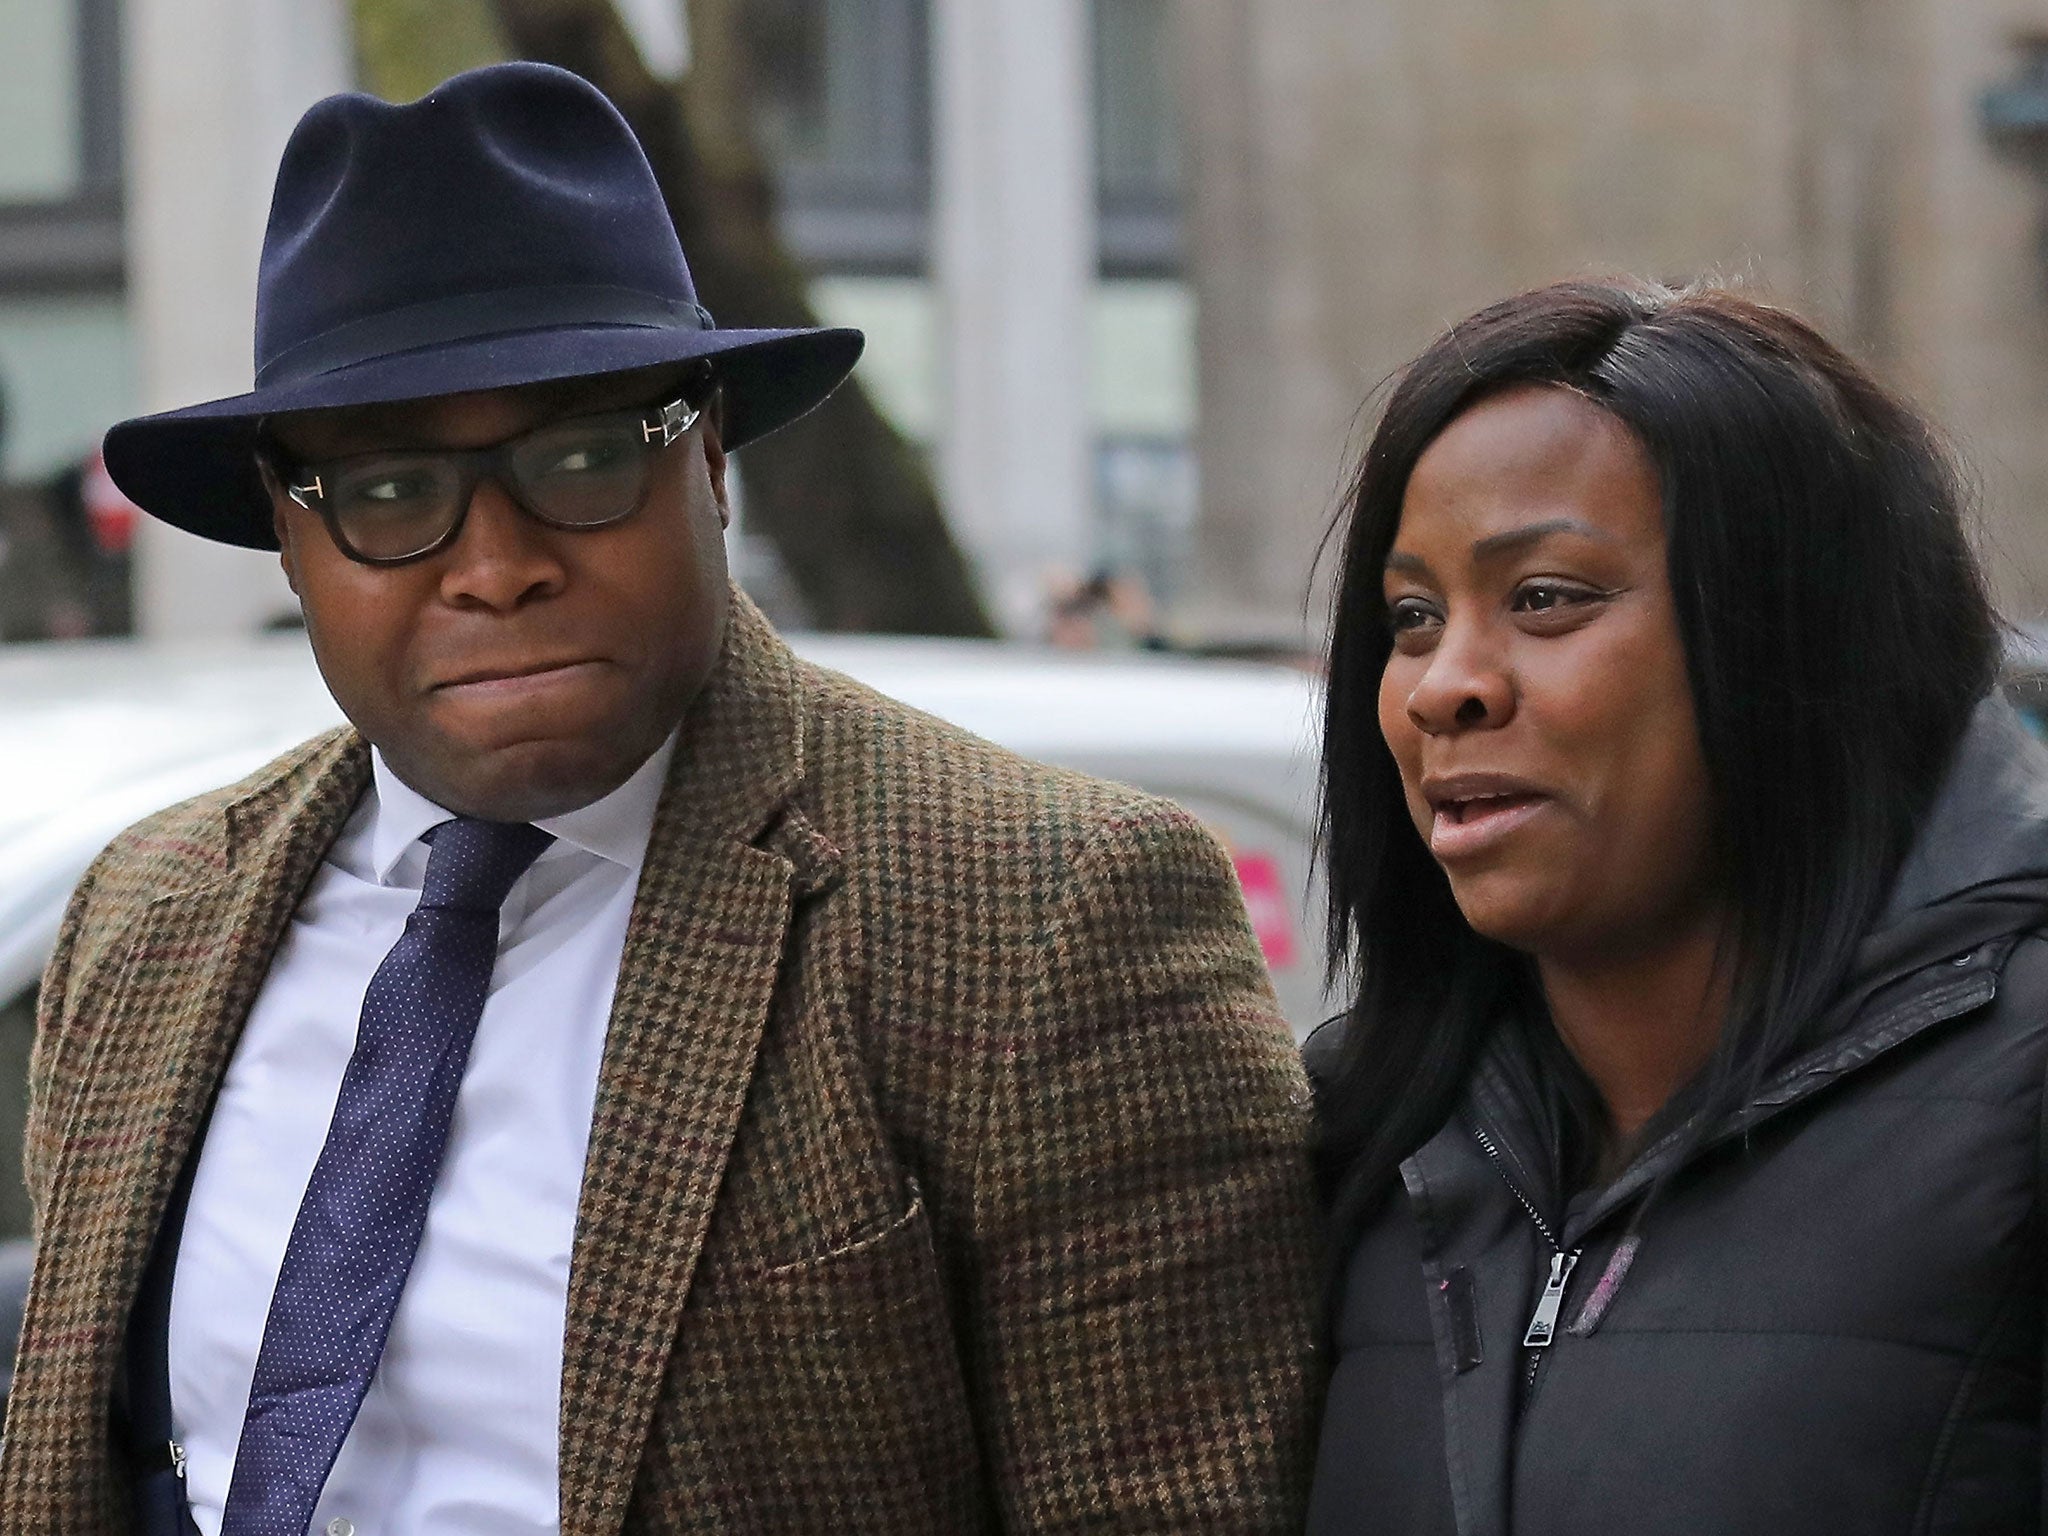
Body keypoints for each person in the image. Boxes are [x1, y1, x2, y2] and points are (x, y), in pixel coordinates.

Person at [0, 63, 1321, 1535]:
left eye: (580, 460)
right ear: (287, 541)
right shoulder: (144, 919)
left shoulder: (1052, 914)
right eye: (386, 491)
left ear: (709, 464)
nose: (494, 564)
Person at [1304, 278, 2047, 1534]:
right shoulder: (1367, 1137)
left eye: (1543, 597)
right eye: (1410, 617)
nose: (1444, 686)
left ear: (1794, 631)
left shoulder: (2011, 1097)